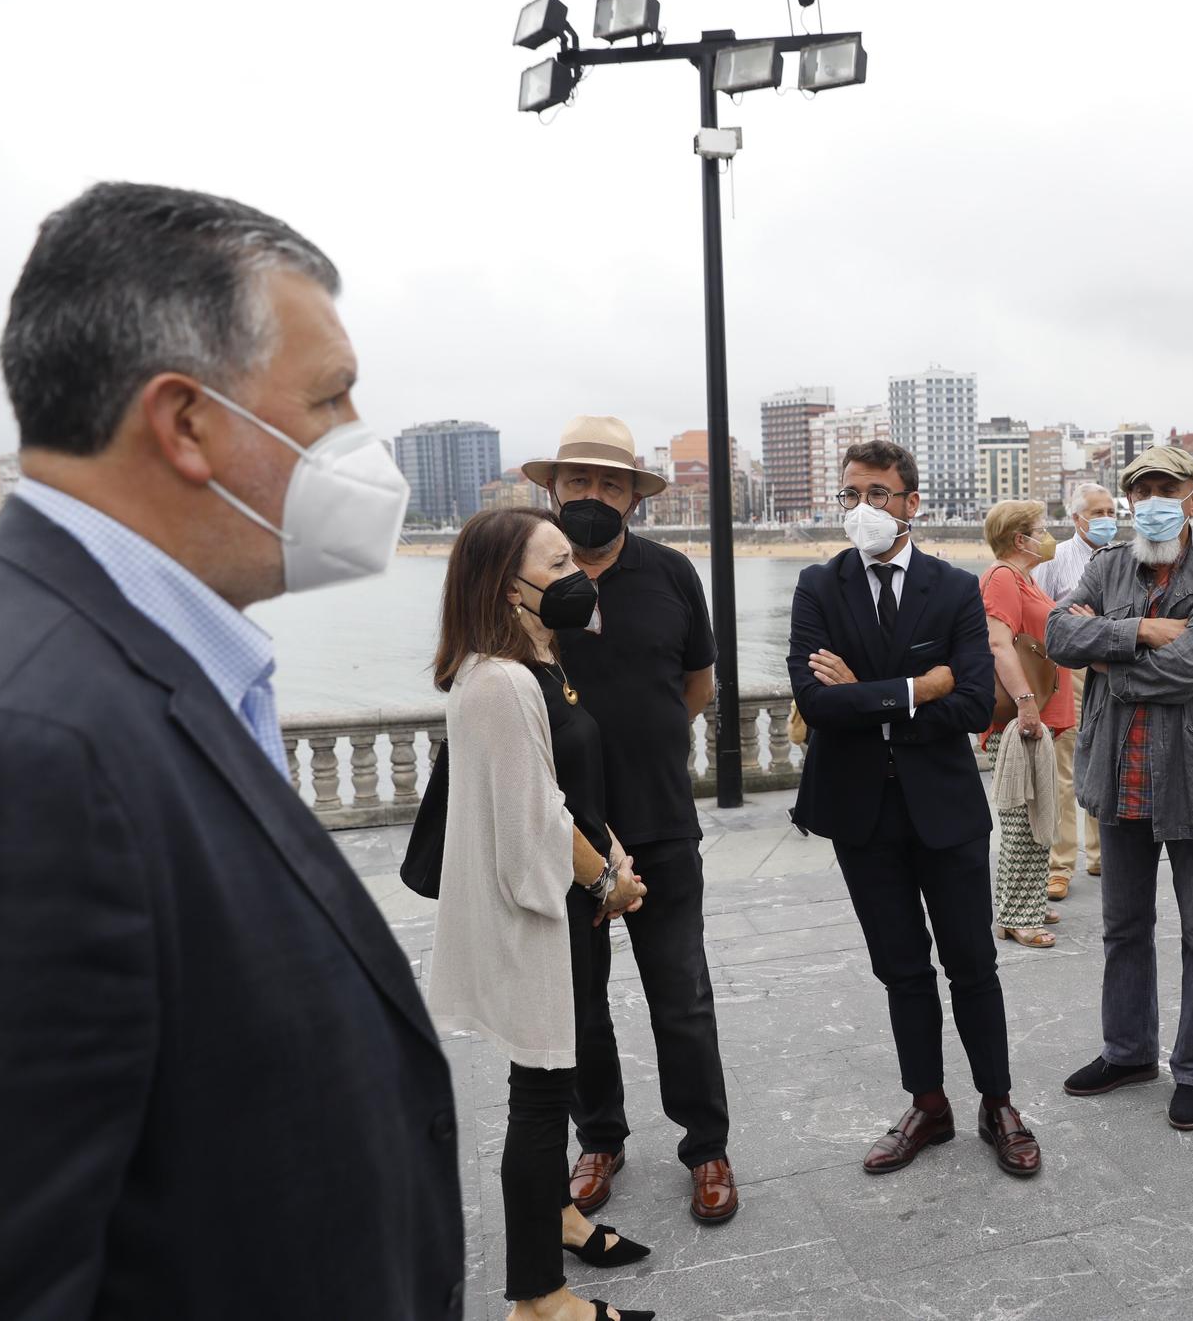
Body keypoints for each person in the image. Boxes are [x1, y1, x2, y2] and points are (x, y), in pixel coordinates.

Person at [0, 183, 463, 1315]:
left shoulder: (131, 659)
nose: (358, 441)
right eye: (330, 398)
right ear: (186, 423)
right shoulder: (32, 746)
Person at [786, 440, 1041, 1178]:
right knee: (900, 968)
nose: (861, 507)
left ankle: (999, 1102)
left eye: (877, 492)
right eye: (851, 492)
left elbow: (968, 703)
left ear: (911, 502)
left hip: (945, 807)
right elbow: (815, 701)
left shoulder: (954, 588)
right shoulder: (818, 586)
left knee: (973, 963)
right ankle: (927, 1103)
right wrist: (911, 689)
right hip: (860, 813)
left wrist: (868, 691)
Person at [427, 507, 655, 1321]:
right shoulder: (498, 681)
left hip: (571, 910)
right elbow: (536, 824)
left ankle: (557, 1216)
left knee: (555, 1085)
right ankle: (540, 1301)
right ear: (507, 585)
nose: (577, 578)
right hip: (541, 920)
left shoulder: (543, 665)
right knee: (539, 1095)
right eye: (556, 565)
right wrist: (609, 885)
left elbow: (569, 789)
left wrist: (615, 855)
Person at [520, 418, 738, 1225]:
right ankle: (599, 1138)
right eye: (579, 481)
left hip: (659, 823)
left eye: (610, 484)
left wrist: (643, 752)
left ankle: (706, 1145)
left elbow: (697, 685)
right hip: (559, 831)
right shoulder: (528, 579)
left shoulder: (672, 573)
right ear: (554, 490)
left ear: (632, 499)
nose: (593, 495)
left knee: (681, 993)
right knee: (578, 999)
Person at [1047, 446, 1193, 1132]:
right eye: (1139, 491)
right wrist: (1138, 629)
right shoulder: (1108, 566)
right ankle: (1129, 1050)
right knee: (1123, 929)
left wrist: (1108, 659)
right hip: (1120, 780)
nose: (1151, 500)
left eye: (1165, 487)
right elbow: (1057, 631)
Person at [979, 499, 1074, 948]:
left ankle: (1030, 899)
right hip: (1021, 720)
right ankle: (1016, 915)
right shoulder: (1001, 577)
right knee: (1021, 817)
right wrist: (1026, 703)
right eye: (1040, 528)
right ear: (1021, 539)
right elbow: (999, 645)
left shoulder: (1026, 579)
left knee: (1039, 814)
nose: (1048, 534)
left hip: (1038, 716)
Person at [1032, 482, 1116, 900]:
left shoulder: (1123, 558)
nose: (1106, 520)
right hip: (1068, 672)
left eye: (1111, 511)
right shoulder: (1057, 558)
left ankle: (1102, 854)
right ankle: (1060, 863)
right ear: (1076, 518)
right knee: (1064, 770)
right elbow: (1040, 615)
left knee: (1107, 762)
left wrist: (1094, 623)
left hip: (1116, 671)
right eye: (1097, 512)